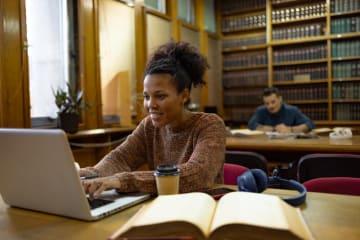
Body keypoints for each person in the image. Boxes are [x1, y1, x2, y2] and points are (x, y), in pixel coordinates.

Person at [80, 41, 226, 199]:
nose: (150, 105)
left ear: (184, 96)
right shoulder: (148, 126)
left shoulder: (210, 125)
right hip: (161, 209)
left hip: (199, 210)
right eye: (146, 97)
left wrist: (122, 180)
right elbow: (120, 158)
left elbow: (199, 175)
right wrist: (86, 175)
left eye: (160, 96)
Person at [248, 87, 315, 133]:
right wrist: (272, 129)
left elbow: (310, 124)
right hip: (267, 144)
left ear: (280, 99)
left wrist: (290, 129)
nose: (270, 106)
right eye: (267, 103)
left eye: (273, 102)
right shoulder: (261, 111)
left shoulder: (292, 110)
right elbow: (251, 124)